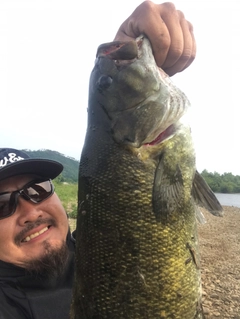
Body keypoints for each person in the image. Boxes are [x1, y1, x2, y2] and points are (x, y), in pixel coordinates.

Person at [0, 2, 196, 318]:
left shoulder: (94, 250)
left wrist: (124, 55)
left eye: (38, 189)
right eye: (2, 205)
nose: (31, 210)